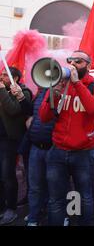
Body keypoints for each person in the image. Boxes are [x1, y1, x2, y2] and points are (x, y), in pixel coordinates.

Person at [39, 50, 94, 226]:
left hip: (84, 153)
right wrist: (54, 94)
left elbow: (93, 108)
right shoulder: (59, 84)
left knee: (84, 197)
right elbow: (44, 117)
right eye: (71, 60)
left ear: (88, 66)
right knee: (56, 200)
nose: (73, 64)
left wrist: (77, 83)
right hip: (58, 152)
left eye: (79, 61)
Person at [0, 67, 32, 225]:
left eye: (5, 75)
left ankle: (11, 208)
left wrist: (2, 91)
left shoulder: (23, 92)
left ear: (16, 78)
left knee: (7, 175)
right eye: (2, 74)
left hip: (10, 141)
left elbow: (12, 110)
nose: (2, 77)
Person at [23, 87, 55, 226]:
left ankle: (55, 216)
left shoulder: (62, 93)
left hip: (53, 148)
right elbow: (30, 112)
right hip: (36, 146)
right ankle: (33, 217)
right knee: (35, 186)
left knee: (54, 186)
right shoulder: (38, 94)